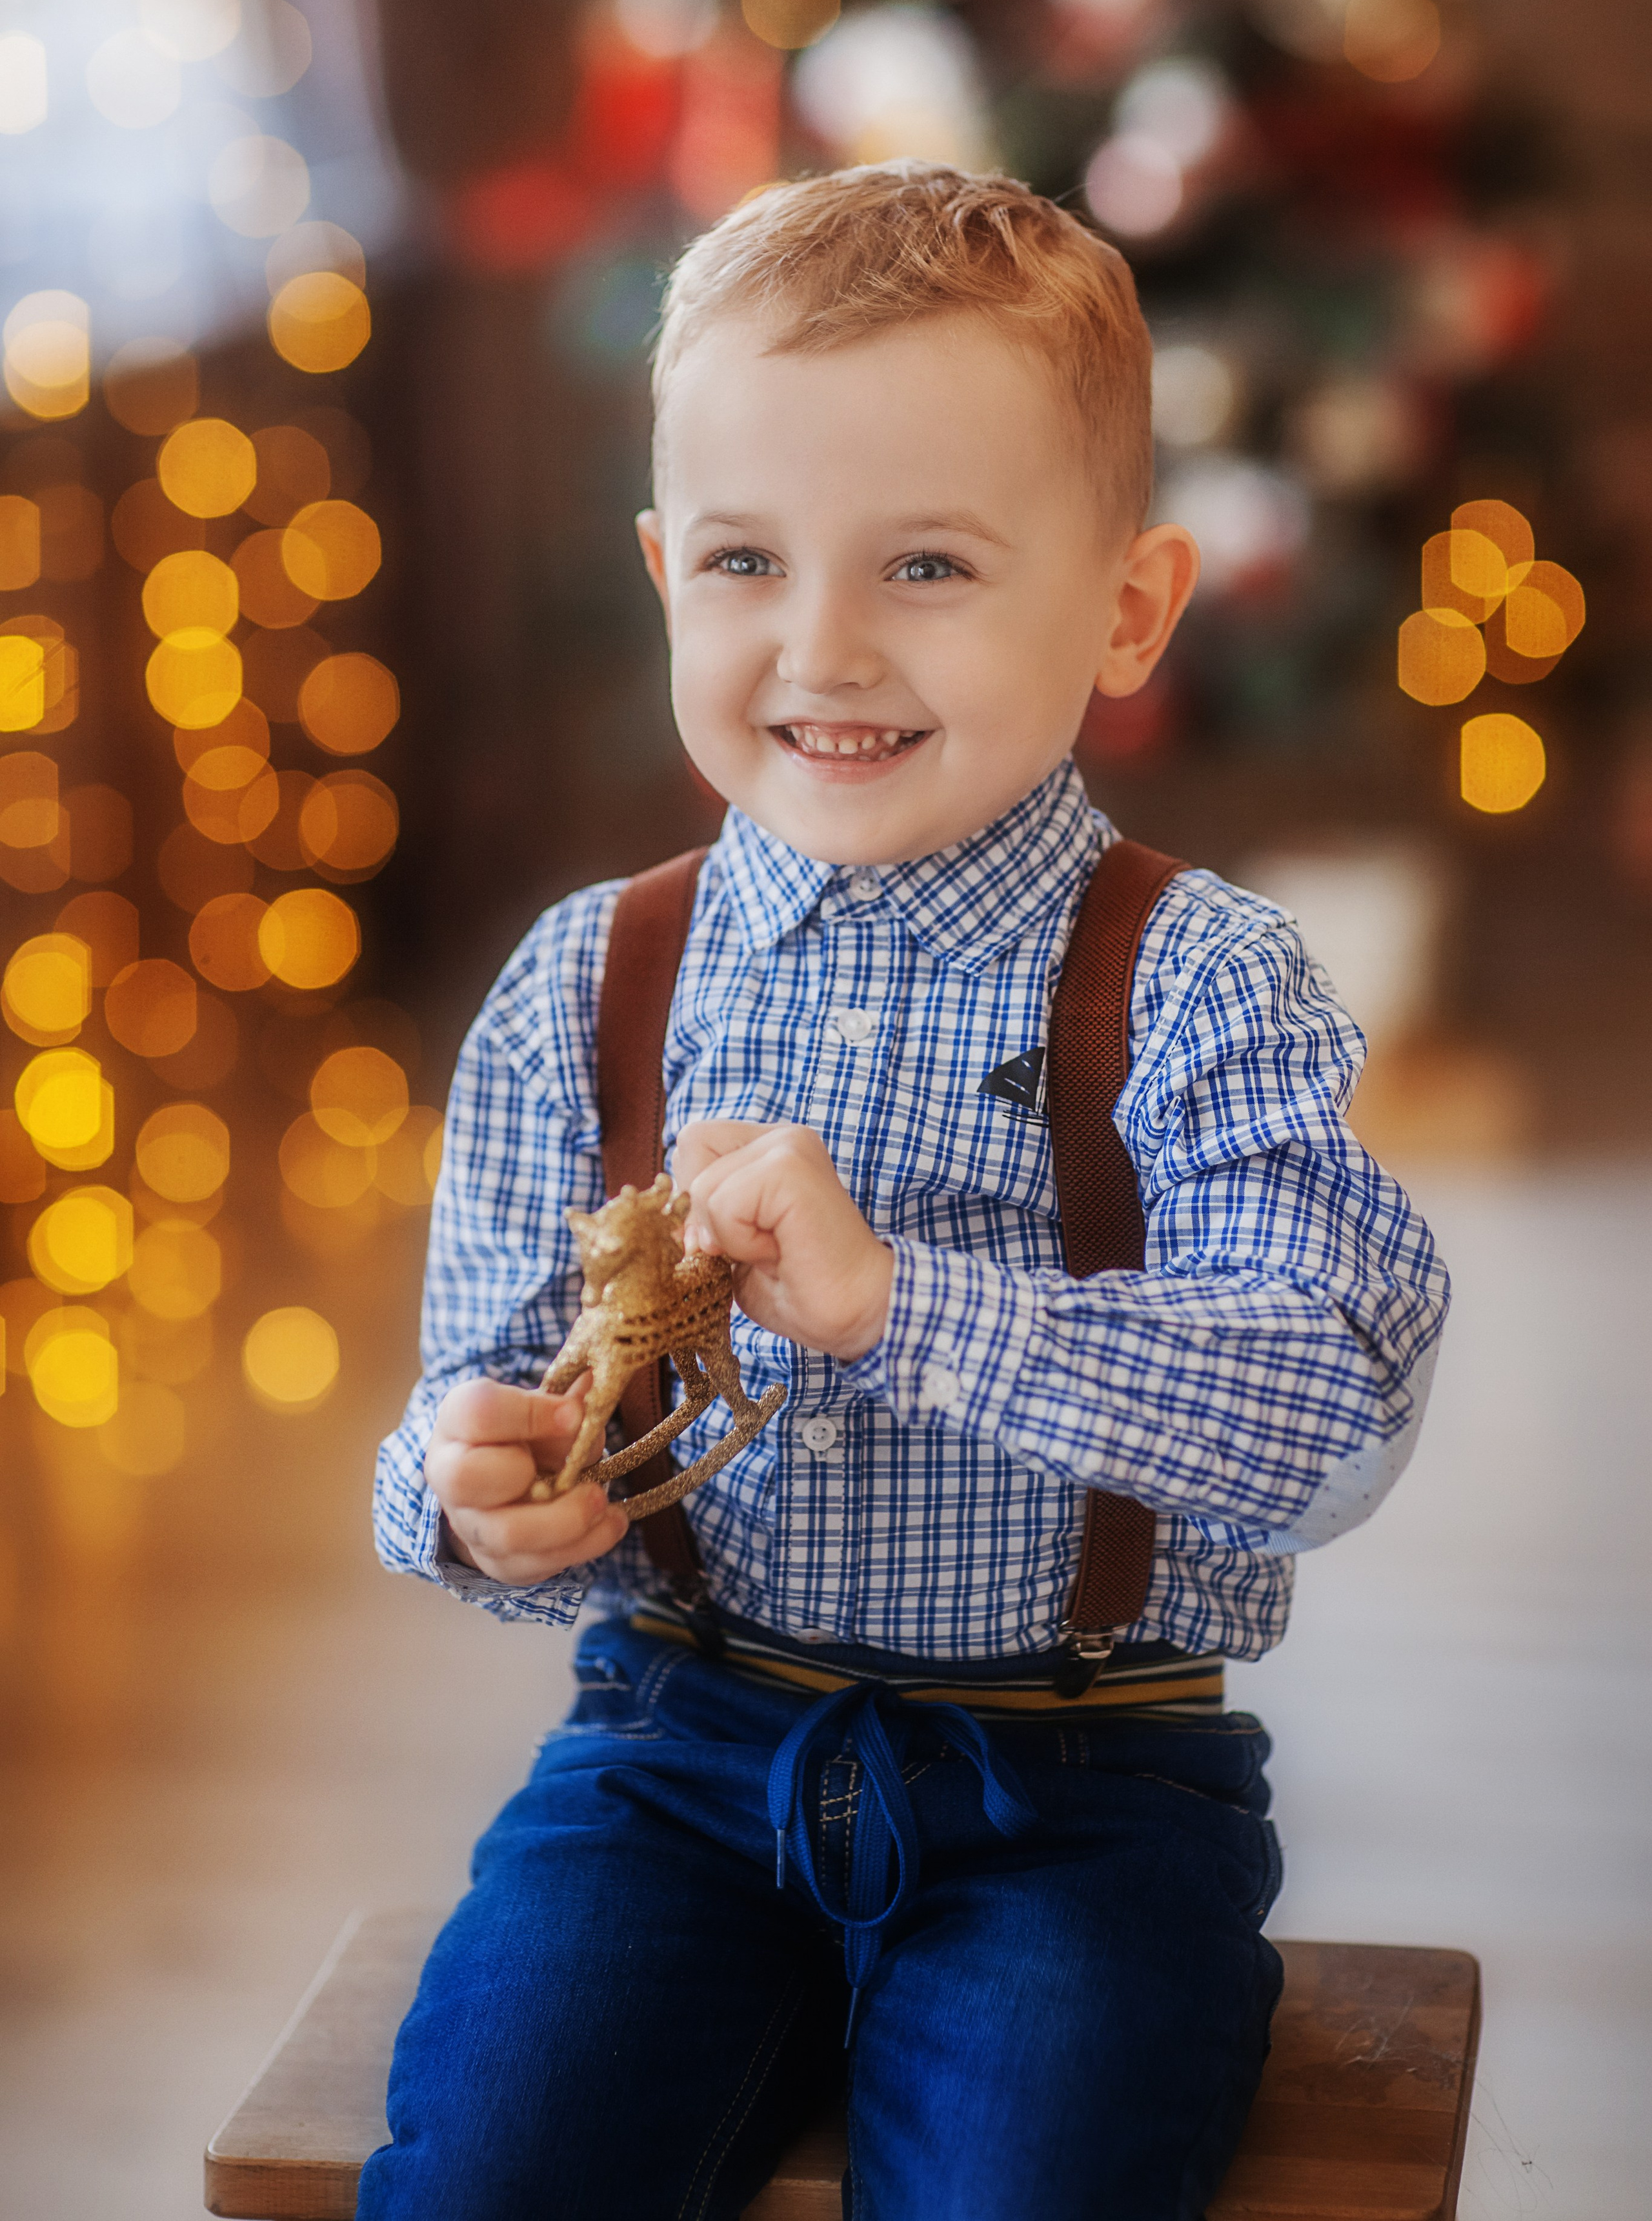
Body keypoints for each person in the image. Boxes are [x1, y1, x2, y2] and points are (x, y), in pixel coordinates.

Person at [359, 163, 1449, 2221]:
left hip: (1084, 1790)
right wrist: (474, 1494)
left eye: (931, 566)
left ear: (1127, 607)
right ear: (666, 567)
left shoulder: (1203, 983)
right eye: (750, 560)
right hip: (671, 1760)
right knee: (494, 2167)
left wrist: (897, 1304)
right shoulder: (588, 984)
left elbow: (1334, 1424)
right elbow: (477, 1402)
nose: (824, 647)